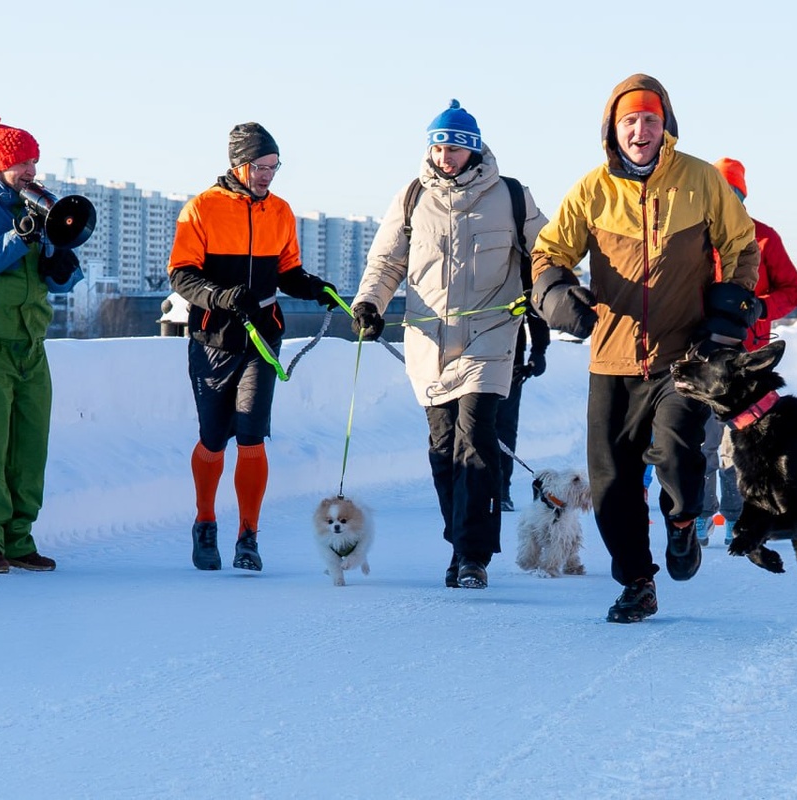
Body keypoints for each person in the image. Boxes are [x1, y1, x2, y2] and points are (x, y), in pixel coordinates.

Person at [529, 74, 760, 623]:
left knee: (679, 456)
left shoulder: (701, 180)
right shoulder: (592, 190)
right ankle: (637, 582)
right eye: (629, 121)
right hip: (611, 357)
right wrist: (556, 296)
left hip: (684, 357)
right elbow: (547, 253)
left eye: (650, 120)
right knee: (611, 483)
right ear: (613, 129)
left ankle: (682, 523)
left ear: (666, 125)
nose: (640, 130)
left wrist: (727, 317)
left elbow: (742, 246)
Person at [351, 100, 547, 589]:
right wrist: (369, 303)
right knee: (444, 451)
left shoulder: (511, 195)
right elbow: (386, 263)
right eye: (438, 148)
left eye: (455, 149)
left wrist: (554, 301)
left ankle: (474, 556)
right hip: (429, 341)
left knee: (476, 439)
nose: (446, 157)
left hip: (491, 334)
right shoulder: (411, 197)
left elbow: (546, 255)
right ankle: (459, 544)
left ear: (474, 150)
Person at [168, 122, 338, 572]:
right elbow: (181, 274)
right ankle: (205, 522)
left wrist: (315, 288)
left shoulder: (279, 211)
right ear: (238, 165)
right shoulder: (202, 208)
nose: (267, 175)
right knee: (212, 438)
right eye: (260, 166)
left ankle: (248, 536)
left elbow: (288, 271)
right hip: (213, 338)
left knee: (251, 434)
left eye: (273, 167)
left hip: (262, 339)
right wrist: (222, 297)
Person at [0, 115, 85, 573]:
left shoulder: (38, 206)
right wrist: (16, 238)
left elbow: (58, 281)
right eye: (22, 163)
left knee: (30, 447)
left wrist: (61, 262)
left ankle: (19, 538)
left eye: (33, 162)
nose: (31, 171)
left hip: (31, 343)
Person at [694, 157, 797, 547]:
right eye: (719, 192)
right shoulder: (693, 236)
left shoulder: (764, 238)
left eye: (733, 193)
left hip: (747, 361)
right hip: (703, 357)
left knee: (737, 445)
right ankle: (702, 515)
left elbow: (794, 290)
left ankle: (738, 515)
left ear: (742, 196)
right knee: (702, 441)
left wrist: (759, 308)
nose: (726, 199)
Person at [496, 313, 550, 512]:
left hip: (510, 358)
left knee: (503, 426)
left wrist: (539, 350)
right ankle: (466, 485)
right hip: (465, 353)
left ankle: (501, 489)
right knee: (470, 424)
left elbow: (535, 308)